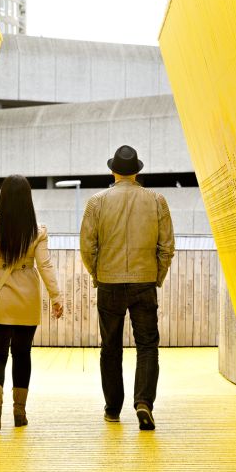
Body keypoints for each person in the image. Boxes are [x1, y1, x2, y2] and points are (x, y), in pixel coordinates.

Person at [80, 145, 174, 430]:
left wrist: (97, 274)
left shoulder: (97, 202)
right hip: (144, 281)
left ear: (113, 171)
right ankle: (143, 402)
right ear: (136, 172)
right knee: (147, 345)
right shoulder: (157, 201)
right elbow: (166, 247)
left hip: (109, 283)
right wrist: (157, 276)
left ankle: (112, 409)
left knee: (110, 347)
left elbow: (87, 246)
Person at [0, 174, 64, 433]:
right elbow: (45, 265)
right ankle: (20, 411)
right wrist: (56, 297)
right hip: (27, 302)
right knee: (22, 356)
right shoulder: (37, 230)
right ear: (27, 199)